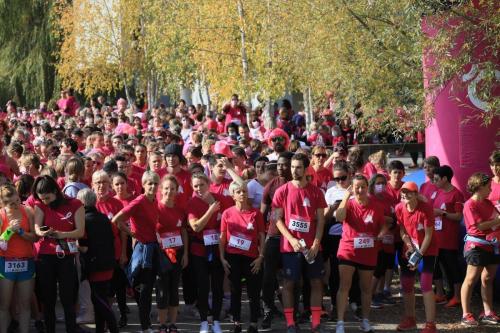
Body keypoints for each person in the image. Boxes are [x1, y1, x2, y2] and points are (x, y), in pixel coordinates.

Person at [272, 153, 327, 333]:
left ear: (306, 169)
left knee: (316, 282)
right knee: (289, 283)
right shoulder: (282, 191)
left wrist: (316, 244)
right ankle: (290, 323)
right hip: (290, 247)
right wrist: (291, 239)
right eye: (292, 167)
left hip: (312, 247)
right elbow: (277, 219)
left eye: (298, 167)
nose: (294, 170)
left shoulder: (316, 192)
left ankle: (316, 323)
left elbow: (320, 220)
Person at [335, 174, 389, 333]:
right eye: (356, 187)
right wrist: (346, 196)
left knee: (366, 288)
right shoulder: (349, 204)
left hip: (368, 251)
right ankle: (340, 322)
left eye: (363, 187)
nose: (360, 190)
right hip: (348, 251)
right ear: (352, 188)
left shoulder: (376, 205)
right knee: (344, 287)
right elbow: (339, 217)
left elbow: (384, 225)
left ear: (367, 187)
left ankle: (365, 320)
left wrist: (381, 233)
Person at [33, 176, 85, 333]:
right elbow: (36, 228)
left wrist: (59, 234)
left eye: (47, 198)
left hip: (66, 255)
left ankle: (71, 328)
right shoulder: (40, 205)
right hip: (45, 256)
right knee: (48, 299)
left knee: (68, 298)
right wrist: (41, 231)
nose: (45, 202)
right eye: (42, 199)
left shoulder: (75, 204)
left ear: (55, 191)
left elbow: (80, 232)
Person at [112, 171, 161, 333]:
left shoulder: (154, 200)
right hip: (143, 249)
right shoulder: (139, 200)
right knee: (145, 289)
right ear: (143, 185)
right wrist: (133, 233)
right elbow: (117, 220)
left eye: (155, 183)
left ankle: (146, 324)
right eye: (149, 183)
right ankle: (145, 327)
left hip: (154, 247)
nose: (153, 186)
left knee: (148, 288)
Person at [220, 180, 265, 333]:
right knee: (235, 291)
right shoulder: (227, 213)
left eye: (244, 191)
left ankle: (253, 323)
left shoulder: (256, 213)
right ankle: (236, 321)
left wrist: (261, 256)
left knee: (253, 291)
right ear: (232, 195)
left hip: (252, 258)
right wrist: (222, 258)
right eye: (238, 191)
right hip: (232, 257)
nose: (242, 194)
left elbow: (261, 236)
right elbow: (222, 237)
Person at [187, 173, 230, 333]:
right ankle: (204, 322)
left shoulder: (221, 199)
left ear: (208, 184)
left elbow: (228, 220)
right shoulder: (192, 203)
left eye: (201, 185)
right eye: (195, 186)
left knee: (218, 287)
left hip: (218, 249)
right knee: (203, 286)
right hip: (199, 250)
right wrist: (211, 210)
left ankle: (217, 321)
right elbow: (196, 227)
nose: (198, 189)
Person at [395, 181, 438, 333]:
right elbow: (402, 230)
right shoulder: (399, 207)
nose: (405, 195)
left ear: (416, 194)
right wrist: (408, 246)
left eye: (409, 192)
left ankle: (430, 325)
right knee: (406, 285)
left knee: (426, 285)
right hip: (410, 249)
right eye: (403, 192)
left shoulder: (426, 209)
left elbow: (429, 235)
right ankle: (410, 319)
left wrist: (419, 254)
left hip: (428, 250)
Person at [461, 173, 500, 326]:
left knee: (488, 278)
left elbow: (494, 222)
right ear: (479, 187)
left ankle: (488, 312)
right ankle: (466, 314)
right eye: (488, 186)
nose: (491, 189)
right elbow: (480, 226)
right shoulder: (470, 204)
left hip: (492, 245)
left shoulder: (488, 203)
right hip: (475, 246)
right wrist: (497, 221)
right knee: (470, 279)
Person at [260, 152, 293, 330]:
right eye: (279, 164)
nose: (281, 167)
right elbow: (262, 214)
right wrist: (261, 238)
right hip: (273, 235)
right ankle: (268, 310)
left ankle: (293, 312)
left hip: (293, 237)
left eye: (285, 164)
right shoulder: (271, 185)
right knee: (268, 277)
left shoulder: (298, 185)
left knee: (293, 277)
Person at [77, 189, 117, 333]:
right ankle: (100, 330)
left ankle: (113, 328)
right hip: (108, 263)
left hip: (96, 266)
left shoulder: (84, 221)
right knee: (99, 300)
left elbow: (85, 248)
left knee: (100, 301)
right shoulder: (104, 217)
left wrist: (75, 245)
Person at [0, 184, 37, 333]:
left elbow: (35, 237)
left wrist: (21, 232)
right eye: (11, 204)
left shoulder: (28, 211)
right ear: (3, 203)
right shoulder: (1, 215)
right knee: (4, 305)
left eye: (16, 201)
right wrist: (8, 232)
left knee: (25, 304)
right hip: (6, 263)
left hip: (26, 262)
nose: (15, 205)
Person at [156, 175, 189, 333]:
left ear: (177, 191)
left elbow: (183, 232)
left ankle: (172, 324)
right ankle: (162, 324)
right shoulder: (155, 208)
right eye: (166, 188)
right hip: (161, 254)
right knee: (162, 290)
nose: (169, 191)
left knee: (174, 289)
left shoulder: (180, 210)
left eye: (173, 188)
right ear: (161, 190)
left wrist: (186, 254)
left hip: (178, 252)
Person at [431, 165, 464, 307]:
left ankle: (457, 296)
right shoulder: (436, 192)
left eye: (437, 179)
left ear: (445, 179)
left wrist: (442, 213)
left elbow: (458, 216)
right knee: (435, 267)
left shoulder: (456, 194)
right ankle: (440, 293)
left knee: (452, 267)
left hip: (449, 238)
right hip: (435, 238)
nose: (434, 181)